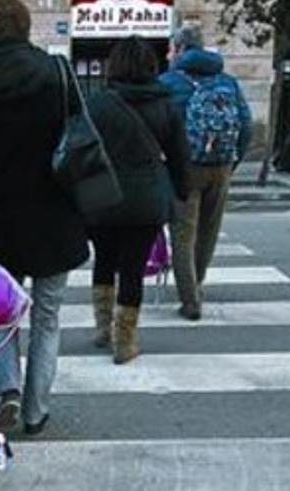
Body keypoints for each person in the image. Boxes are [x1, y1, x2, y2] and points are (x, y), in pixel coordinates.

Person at [0, 0, 88, 436]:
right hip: (57, 216)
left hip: (3, 221)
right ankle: (34, 411)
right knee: (47, 317)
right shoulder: (58, 74)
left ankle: (7, 388)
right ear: (25, 29)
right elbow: (81, 142)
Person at [87, 37, 192, 364]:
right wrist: (180, 193)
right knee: (132, 269)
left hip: (102, 196)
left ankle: (103, 328)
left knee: (104, 259)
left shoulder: (98, 104)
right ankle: (125, 341)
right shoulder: (167, 105)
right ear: (151, 66)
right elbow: (179, 157)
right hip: (147, 199)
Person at [159, 25, 252, 321]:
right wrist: (231, 163)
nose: (168, 54)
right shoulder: (227, 81)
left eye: (171, 48)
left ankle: (190, 301)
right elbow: (247, 126)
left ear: (182, 49)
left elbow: (160, 125)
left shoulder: (169, 82)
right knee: (208, 233)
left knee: (183, 235)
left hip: (186, 167)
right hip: (221, 166)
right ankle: (197, 283)